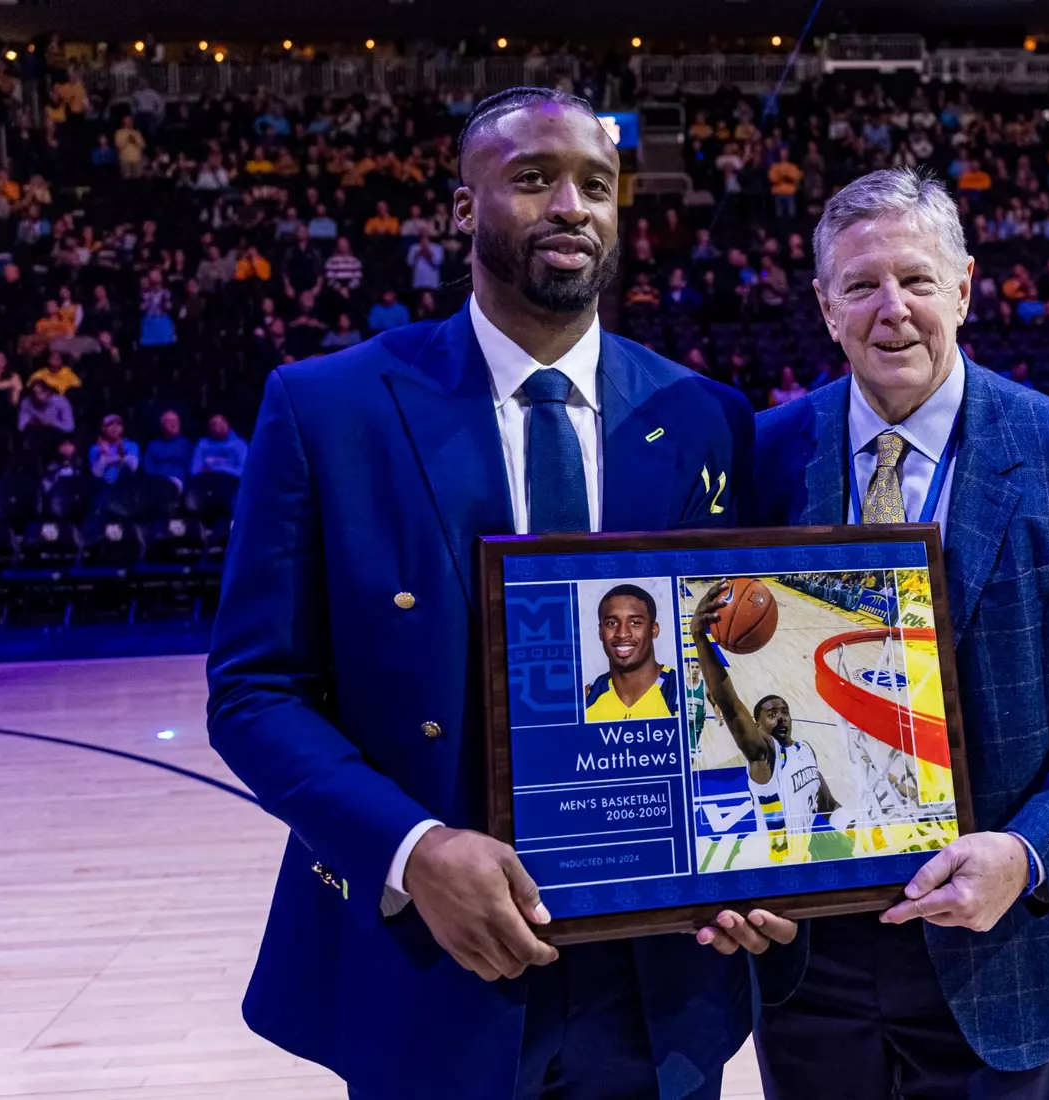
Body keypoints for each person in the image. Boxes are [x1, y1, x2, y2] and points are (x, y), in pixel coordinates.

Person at [204, 87, 756, 1100]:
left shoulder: (707, 416)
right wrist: (412, 851)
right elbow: (254, 690)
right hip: (431, 957)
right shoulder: (326, 406)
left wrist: (762, 855)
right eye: (534, 178)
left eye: (597, 184)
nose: (571, 207)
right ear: (463, 209)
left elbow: (730, 671)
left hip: (656, 974)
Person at [732, 168, 1049, 1099]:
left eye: (916, 280)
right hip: (812, 952)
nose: (891, 309)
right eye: (860, 285)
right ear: (824, 306)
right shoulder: (763, 455)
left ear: (966, 287)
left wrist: (1025, 855)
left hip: (1001, 939)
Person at [690, 579, 838, 866]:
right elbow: (732, 707)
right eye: (771, 713)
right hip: (773, 865)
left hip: (804, 863)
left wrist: (857, 826)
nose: (780, 717)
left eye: (783, 711)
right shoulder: (765, 756)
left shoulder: (806, 751)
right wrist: (699, 638)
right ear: (756, 726)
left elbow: (828, 805)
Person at [583, 584, 678, 722]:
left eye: (635, 623)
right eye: (611, 623)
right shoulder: (586, 698)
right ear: (600, 632)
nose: (622, 634)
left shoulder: (678, 690)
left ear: (654, 630)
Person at [143, 409, 193, 486]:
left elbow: (191, 467)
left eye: (176, 421)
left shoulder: (186, 444)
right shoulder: (153, 445)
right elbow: (148, 467)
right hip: (158, 483)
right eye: (169, 421)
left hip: (181, 484)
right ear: (162, 425)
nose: (174, 424)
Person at [190, 413, 249, 479]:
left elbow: (244, 470)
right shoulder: (202, 443)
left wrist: (215, 469)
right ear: (209, 428)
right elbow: (194, 470)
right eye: (215, 424)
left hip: (231, 480)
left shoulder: (239, 443)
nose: (221, 426)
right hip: (207, 479)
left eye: (223, 422)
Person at [89, 414, 141, 483]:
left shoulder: (131, 445)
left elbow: (133, 466)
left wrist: (119, 452)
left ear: (123, 428)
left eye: (118, 424)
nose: (115, 427)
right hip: (104, 487)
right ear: (103, 428)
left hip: (126, 486)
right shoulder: (96, 448)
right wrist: (104, 454)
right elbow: (97, 473)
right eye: (110, 424)